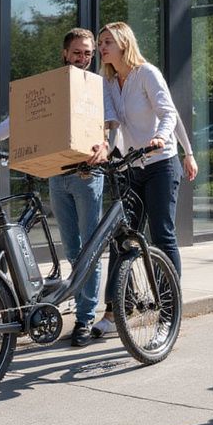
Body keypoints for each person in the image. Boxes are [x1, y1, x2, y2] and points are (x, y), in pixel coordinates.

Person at [0, 28, 196, 347]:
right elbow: (22, 119)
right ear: (64, 54)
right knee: (100, 246)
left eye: (94, 49)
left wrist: (176, 148)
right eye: (81, 51)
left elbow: (142, 119)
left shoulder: (120, 79)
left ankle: (159, 312)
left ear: (122, 45)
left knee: (144, 238)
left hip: (138, 163)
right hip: (77, 169)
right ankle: (115, 311)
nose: (88, 55)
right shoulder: (100, 81)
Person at [86, 21, 185, 339]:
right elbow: (113, 125)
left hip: (160, 163)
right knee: (122, 238)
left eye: (107, 42)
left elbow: (169, 113)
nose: (102, 48)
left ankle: (169, 315)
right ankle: (115, 312)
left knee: (162, 237)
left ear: (124, 43)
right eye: (101, 43)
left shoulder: (147, 74)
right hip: (130, 167)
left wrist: (159, 137)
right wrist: (104, 146)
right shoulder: (109, 81)